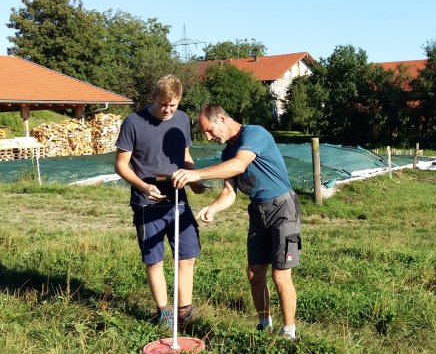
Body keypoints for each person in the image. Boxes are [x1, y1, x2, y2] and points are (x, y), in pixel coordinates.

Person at [171, 104, 300, 339]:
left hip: (283, 208)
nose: (209, 137)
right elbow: (229, 192)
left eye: (209, 130)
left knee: (280, 275)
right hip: (258, 211)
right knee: (254, 272)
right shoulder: (227, 152)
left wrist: (196, 174)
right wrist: (213, 207)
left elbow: (240, 165)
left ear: (222, 117)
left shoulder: (255, 134)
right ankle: (264, 324)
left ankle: (289, 331)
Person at [114, 74, 204, 328]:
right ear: (154, 97)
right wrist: (143, 186)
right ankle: (164, 310)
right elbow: (121, 165)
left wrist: (194, 178)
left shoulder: (182, 119)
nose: (167, 110)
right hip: (147, 201)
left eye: (173, 105)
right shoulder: (133, 122)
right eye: (164, 104)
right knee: (154, 258)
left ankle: (185, 310)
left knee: (187, 255)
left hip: (178, 196)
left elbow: (185, 154)